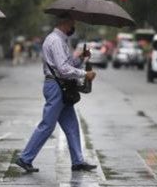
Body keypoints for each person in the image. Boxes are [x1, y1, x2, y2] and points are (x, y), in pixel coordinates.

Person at [15, 14, 97, 173]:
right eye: (73, 23)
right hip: (56, 86)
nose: (74, 26)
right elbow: (64, 69)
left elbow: (68, 64)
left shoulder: (62, 40)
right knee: (47, 125)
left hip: (61, 86)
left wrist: (81, 57)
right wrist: (84, 74)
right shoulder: (55, 41)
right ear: (65, 22)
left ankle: (78, 161)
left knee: (72, 125)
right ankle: (25, 158)